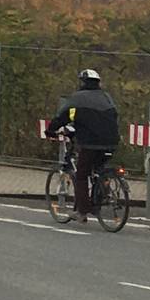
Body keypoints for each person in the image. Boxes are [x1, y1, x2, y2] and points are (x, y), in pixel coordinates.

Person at [46, 69, 119, 223]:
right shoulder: (106, 97)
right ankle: (101, 194)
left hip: (90, 143)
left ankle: (82, 211)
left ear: (83, 83)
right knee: (99, 170)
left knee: (81, 175)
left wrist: (51, 130)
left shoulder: (77, 98)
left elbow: (63, 116)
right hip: (111, 142)